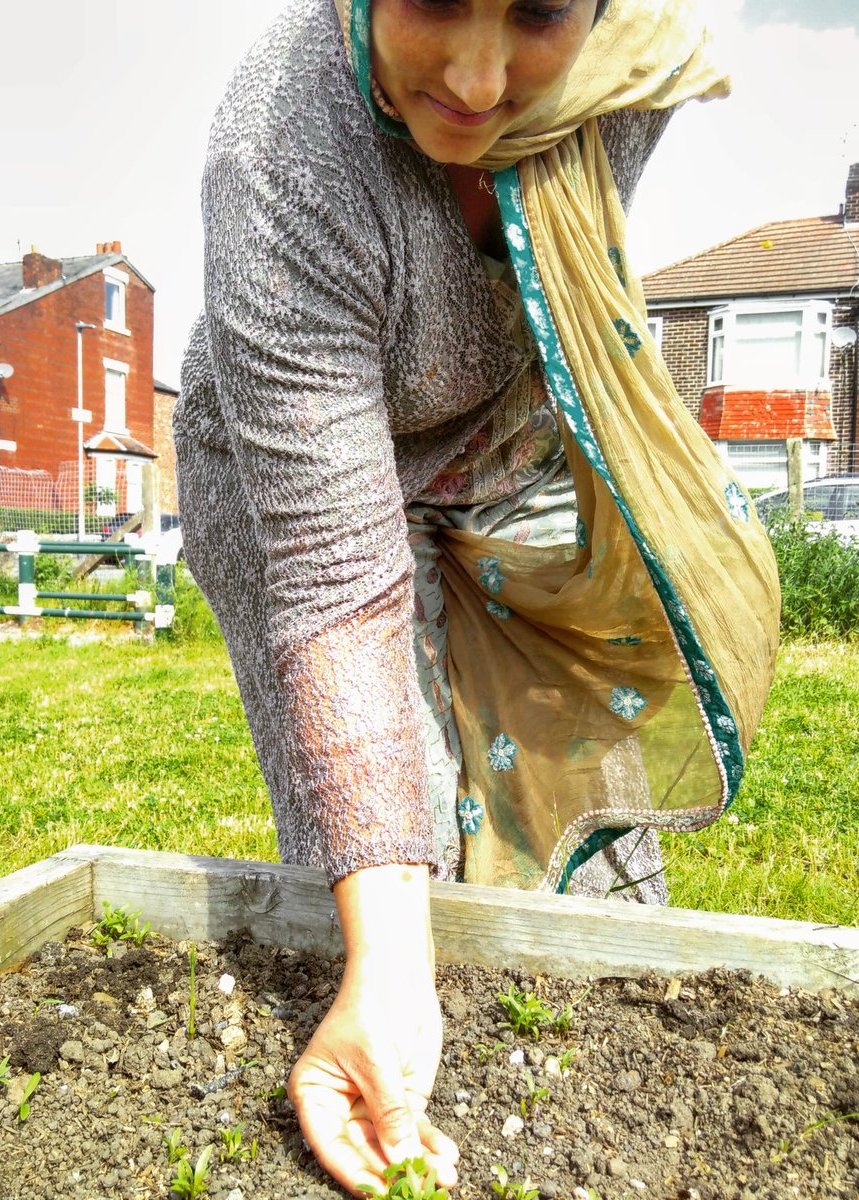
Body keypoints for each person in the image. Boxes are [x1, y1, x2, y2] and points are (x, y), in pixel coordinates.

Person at [174, 0, 781, 1193]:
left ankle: (587, 1032)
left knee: (575, 792)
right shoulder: (279, 161)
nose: (478, 77)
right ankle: (388, 1052)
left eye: (540, 11)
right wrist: (389, 969)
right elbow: (338, 588)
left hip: (503, 445)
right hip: (302, 486)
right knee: (394, 838)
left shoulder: (632, 67)